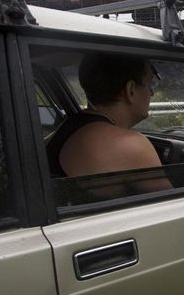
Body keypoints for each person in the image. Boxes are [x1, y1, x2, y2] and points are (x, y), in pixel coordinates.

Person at [46, 53, 171, 196]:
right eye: (150, 84)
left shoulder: (69, 125)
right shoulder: (129, 144)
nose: (152, 93)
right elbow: (173, 209)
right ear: (130, 90)